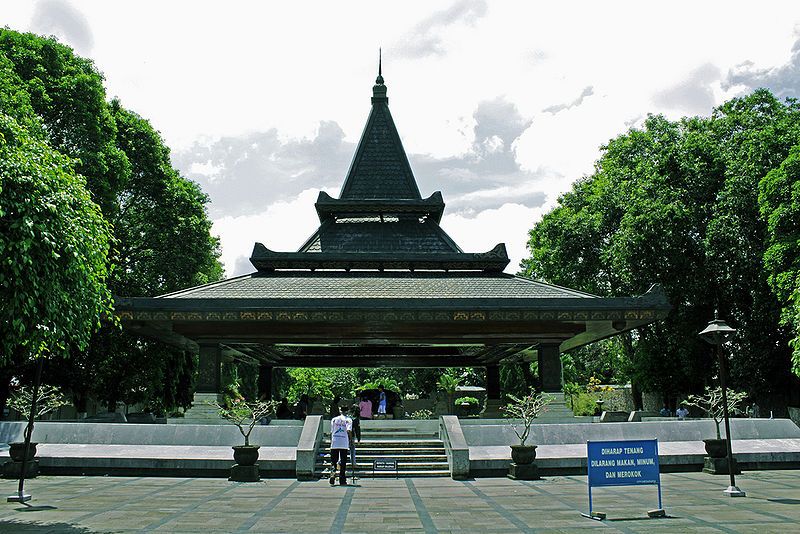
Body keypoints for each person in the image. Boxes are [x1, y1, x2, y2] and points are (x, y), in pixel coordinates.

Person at [329, 405, 352, 486]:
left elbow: (331, 431)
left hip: (335, 441)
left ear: (340, 411)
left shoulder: (334, 419)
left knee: (333, 461)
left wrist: (331, 440)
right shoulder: (348, 420)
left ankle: (333, 472)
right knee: (343, 461)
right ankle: (342, 479)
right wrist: (351, 439)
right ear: (347, 411)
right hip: (343, 442)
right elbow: (349, 430)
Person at [349, 404, 362, 479]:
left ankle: (339, 462)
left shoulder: (347, 416)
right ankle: (353, 463)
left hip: (344, 435)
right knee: (352, 449)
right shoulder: (355, 419)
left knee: (343, 449)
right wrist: (359, 438)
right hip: (352, 435)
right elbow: (357, 429)